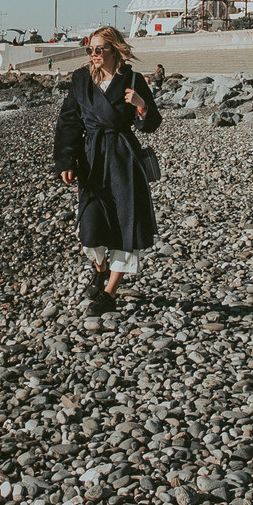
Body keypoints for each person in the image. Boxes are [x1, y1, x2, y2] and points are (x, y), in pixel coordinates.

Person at [55, 26, 162, 314]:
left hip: (123, 157)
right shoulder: (80, 79)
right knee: (89, 229)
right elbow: (68, 122)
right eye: (90, 49)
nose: (93, 55)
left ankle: (109, 293)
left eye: (99, 49)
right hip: (91, 157)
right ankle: (100, 267)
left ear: (115, 50)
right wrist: (65, 160)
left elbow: (151, 124)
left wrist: (141, 107)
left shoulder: (133, 79)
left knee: (125, 225)